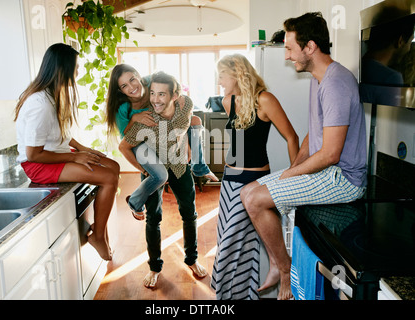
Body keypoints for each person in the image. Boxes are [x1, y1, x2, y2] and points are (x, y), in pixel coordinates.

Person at [240, 12, 367, 300]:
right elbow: (314, 135)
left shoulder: (336, 83)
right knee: (248, 192)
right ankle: (277, 263)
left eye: (289, 48)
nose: (286, 56)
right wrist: (293, 168)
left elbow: (331, 154)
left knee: (255, 199)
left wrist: (288, 176)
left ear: (310, 47)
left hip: (344, 179)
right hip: (328, 171)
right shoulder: (318, 78)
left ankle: (283, 268)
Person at [14, 43, 120, 261]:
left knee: (114, 166)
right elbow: (33, 154)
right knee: (108, 178)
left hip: (55, 154)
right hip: (39, 165)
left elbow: (60, 134)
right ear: (62, 68)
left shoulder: (53, 95)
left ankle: (101, 233)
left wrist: (82, 148)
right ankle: (98, 236)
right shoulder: (39, 104)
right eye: (76, 66)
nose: (78, 71)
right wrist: (74, 156)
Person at [210, 54, 299, 300]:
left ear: (237, 73)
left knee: (230, 244)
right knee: (235, 241)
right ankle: (237, 296)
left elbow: (292, 137)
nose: (219, 82)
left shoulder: (265, 100)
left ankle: (280, 269)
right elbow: (239, 144)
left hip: (252, 181)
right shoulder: (229, 101)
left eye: (221, 75)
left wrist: (295, 178)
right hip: (229, 181)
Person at [118, 71, 207, 288]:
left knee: (189, 213)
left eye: (161, 94)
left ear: (175, 95)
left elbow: (191, 120)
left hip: (178, 166)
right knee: (153, 218)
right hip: (154, 171)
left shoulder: (185, 105)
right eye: (152, 94)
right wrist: (143, 169)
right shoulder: (144, 120)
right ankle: (154, 267)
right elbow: (124, 147)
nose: (155, 100)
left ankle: (192, 260)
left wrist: (186, 141)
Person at [106, 64, 217, 221]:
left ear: (138, 75)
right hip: (139, 142)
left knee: (195, 121)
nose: (132, 87)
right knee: (160, 176)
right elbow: (127, 139)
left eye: (132, 79)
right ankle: (135, 202)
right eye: (124, 86)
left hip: (163, 132)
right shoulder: (122, 107)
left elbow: (175, 93)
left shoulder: (151, 80)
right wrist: (134, 118)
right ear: (120, 90)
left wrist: (185, 143)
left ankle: (199, 166)